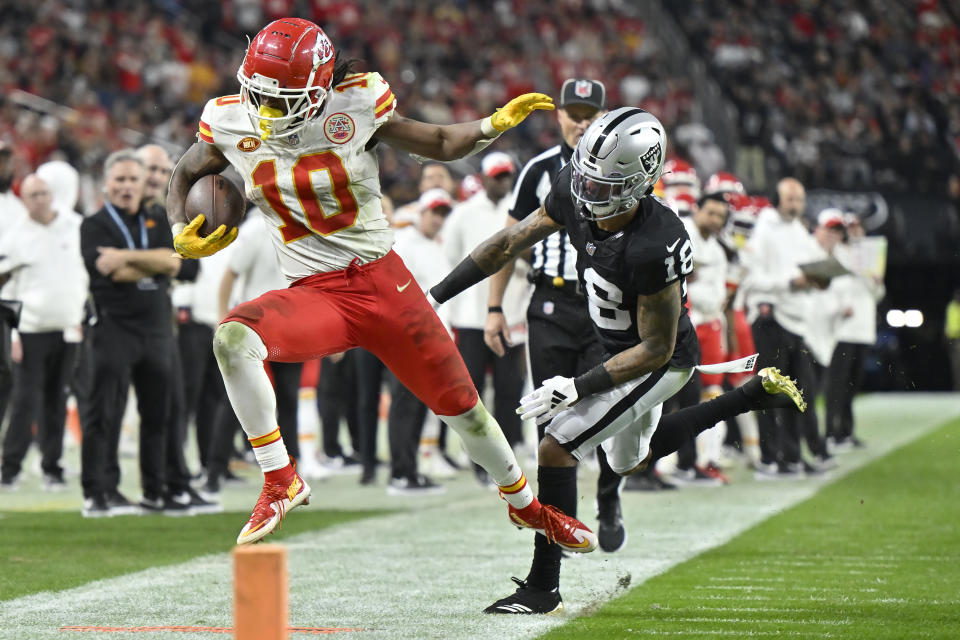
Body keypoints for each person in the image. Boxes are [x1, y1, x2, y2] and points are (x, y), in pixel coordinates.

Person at [166, 17, 592, 549]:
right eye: (260, 97)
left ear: (320, 89)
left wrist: (490, 125)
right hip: (315, 292)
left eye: (284, 100)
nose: (268, 114)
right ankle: (279, 477)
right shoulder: (229, 119)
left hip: (386, 286)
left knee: (467, 412)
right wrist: (180, 229)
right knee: (232, 338)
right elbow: (184, 173)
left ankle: (527, 507)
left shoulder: (356, 102)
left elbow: (437, 139)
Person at [429, 107, 807, 613]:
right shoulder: (577, 187)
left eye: (605, 187)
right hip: (619, 348)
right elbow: (510, 241)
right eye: (585, 178)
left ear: (642, 183)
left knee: (557, 444)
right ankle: (747, 397)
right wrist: (435, 295)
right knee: (631, 458)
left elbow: (657, 347)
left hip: (660, 362)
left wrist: (578, 387)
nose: (588, 196)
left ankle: (543, 588)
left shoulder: (658, 242)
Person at [483, 79, 632, 548]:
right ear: (559, 115)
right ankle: (558, 525)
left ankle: (609, 498)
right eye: (574, 111)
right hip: (549, 305)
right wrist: (493, 308)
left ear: (605, 117)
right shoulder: (538, 170)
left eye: (591, 112)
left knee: (606, 413)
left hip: (604, 306)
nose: (582, 121)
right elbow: (508, 243)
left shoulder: (626, 168)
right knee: (552, 420)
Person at [80, 149, 189, 517]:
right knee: (104, 413)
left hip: (157, 330)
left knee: (158, 415)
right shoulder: (94, 225)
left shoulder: (159, 218)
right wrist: (159, 264)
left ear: (144, 185)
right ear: (107, 184)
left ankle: (154, 493)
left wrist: (126, 257)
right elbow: (106, 276)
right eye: (120, 179)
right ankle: (99, 493)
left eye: (133, 180)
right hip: (114, 328)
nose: (127, 186)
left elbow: (183, 267)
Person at [444, 151, 527, 483]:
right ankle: (479, 462)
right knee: (472, 394)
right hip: (470, 317)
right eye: (497, 176)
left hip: (511, 314)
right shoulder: (463, 214)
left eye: (506, 175)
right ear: (483, 178)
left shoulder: (519, 212)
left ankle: (505, 460)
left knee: (509, 390)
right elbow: (450, 259)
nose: (503, 181)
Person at [0, 174, 87, 490]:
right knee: (24, 400)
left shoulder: (74, 226)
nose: (40, 199)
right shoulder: (13, 238)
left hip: (67, 328)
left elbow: (83, 275)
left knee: (57, 399)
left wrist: (80, 314)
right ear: (23, 200)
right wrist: (11, 336)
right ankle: (10, 467)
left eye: (44, 193)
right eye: (33, 194)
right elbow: (5, 293)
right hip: (30, 331)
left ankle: (52, 467)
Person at [740, 178, 831, 477]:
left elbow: (813, 268)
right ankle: (769, 458)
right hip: (771, 319)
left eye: (799, 199)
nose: (795, 205)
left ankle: (791, 456)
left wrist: (818, 279)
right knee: (769, 392)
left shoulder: (799, 232)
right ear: (777, 200)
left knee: (796, 395)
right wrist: (791, 282)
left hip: (796, 322)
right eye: (790, 199)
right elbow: (751, 281)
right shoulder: (764, 229)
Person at [385, 188, 455, 495]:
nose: (438, 219)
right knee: (403, 405)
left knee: (415, 406)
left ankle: (410, 469)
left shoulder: (434, 246)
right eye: (434, 212)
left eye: (443, 214)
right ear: (421, 212)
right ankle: (400, 473)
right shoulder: (405, 243)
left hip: (430, 339)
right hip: (407, 338)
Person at [826, 213, 885, 447]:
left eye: (857, 227)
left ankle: (846, 432)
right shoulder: (837, 253)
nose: (854, 231)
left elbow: (877, 295)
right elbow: (832, 286)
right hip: (842, 328)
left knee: (852, 384)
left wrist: (877, 282)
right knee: (837, 383)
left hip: (863, 328)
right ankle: (831, 432)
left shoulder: (870, 256)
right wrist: (840, 306)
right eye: (849, 227)